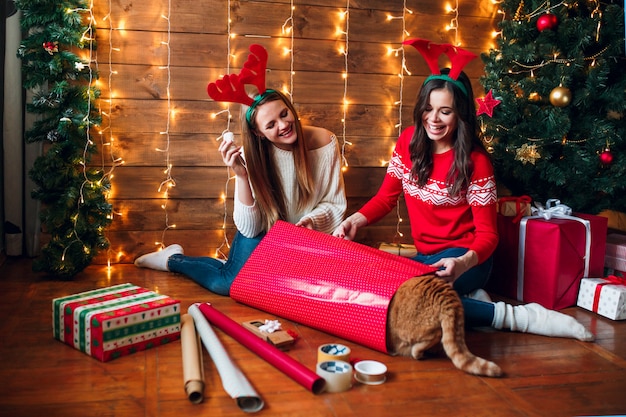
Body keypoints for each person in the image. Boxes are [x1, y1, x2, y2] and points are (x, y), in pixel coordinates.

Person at [333, 38, 593, 342]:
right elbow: (386, 198)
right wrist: (355, 220)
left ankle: (517, 317)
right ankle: (473, 301)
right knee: (383, 287)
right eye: (428, 108)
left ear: (461, 115)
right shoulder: (407, 142)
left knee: (409, 297)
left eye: (445, 111)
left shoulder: (476, 162)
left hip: (467, 259)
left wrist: (464, 263)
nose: (433, 119)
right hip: (425, 257)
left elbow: (488, 236)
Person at [135, 45, 347, 295]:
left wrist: (312, 220)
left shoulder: (324, 143)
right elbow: (250, 228)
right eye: (271, 124)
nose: (284, 125)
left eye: (284, 113)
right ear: (258, 133)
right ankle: (172, 260)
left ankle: (242, 267)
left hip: (304, 238)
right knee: (225, 284)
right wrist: (241, 175)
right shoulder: (252, 156)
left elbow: (335, 204)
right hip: (263, 231)